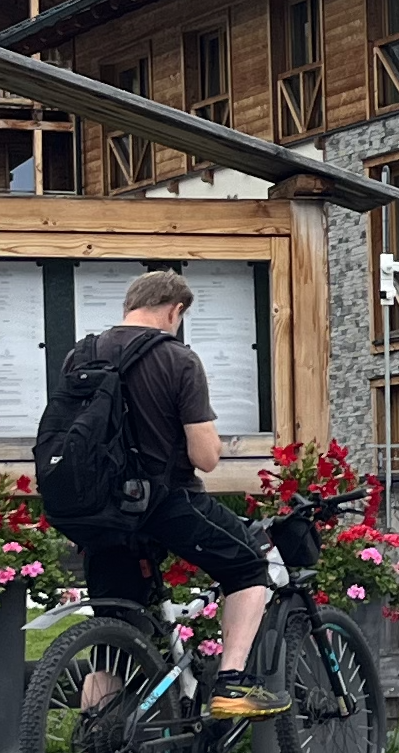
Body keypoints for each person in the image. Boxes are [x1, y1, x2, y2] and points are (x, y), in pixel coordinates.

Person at [72, 268, 286, 722]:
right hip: (165, 504)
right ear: (176, 310)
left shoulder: (82, 354)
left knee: (113, 642)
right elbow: (205, 457)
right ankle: (231, 684)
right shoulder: (176, 358)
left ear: (130, 305)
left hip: (99, 514)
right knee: (249, 566)